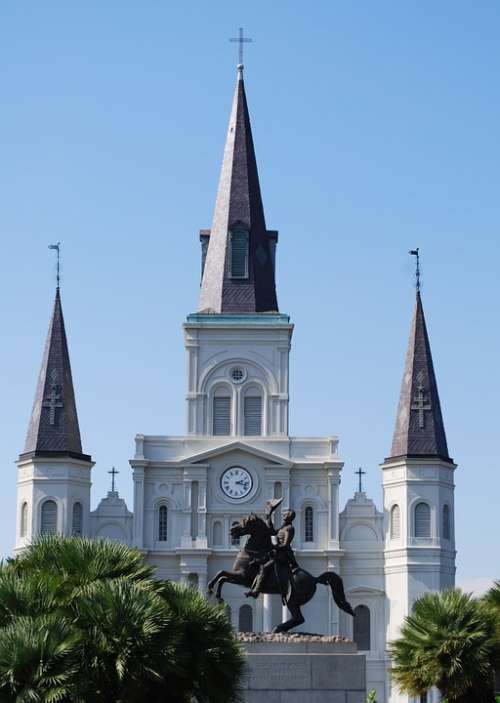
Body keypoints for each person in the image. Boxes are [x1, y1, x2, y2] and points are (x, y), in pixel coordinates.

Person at [245, 499, 299, 599]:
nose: (283, 516)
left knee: (264, 567)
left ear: (289, 517)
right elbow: (271, 531)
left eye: (286, 515)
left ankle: (256, 591)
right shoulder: (283, 528)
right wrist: (269, 514)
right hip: (277, 553)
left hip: (283, 555)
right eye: (284, 515)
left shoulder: (289, 529)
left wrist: (274, 547)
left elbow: (286, 545)